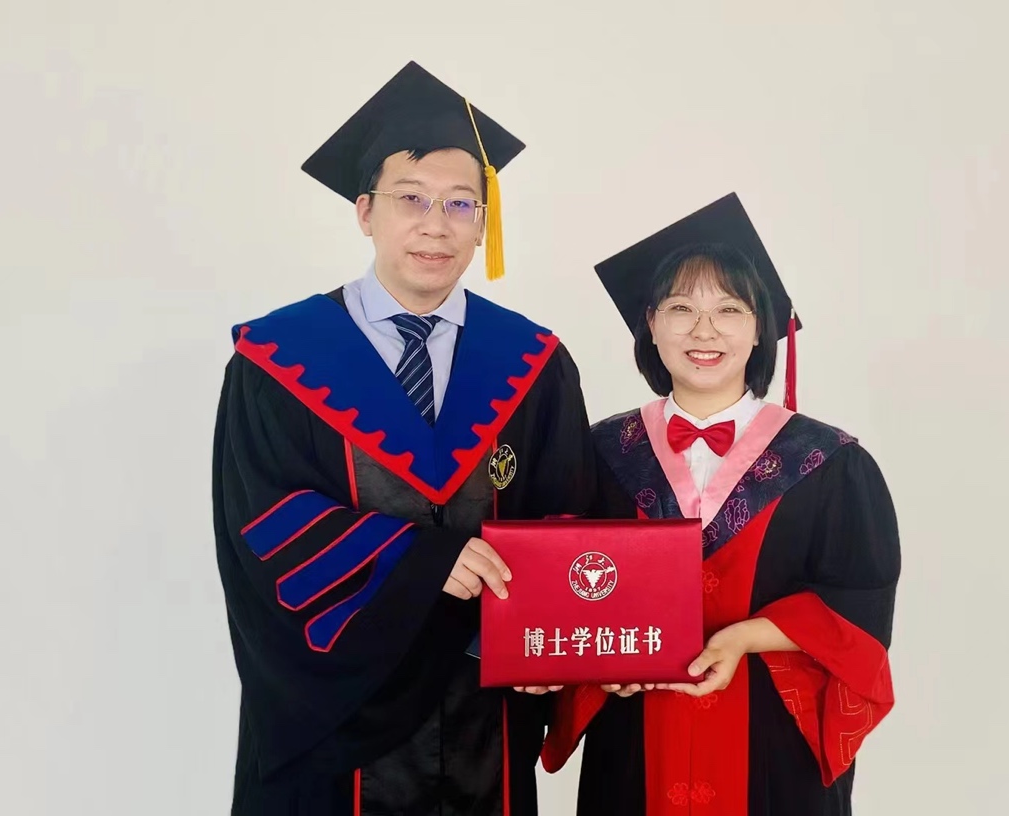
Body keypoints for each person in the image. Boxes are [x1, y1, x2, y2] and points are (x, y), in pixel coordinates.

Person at [211, 61, 595, 816]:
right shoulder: (277, 360)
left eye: (460, 203)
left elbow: (568, 515)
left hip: (485, 717)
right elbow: (262, 527)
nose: (435, 224)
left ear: (483, 222)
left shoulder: (534, 363)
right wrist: (423, 561)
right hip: (336, 727)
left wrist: (549, 635)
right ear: (365, 212)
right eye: (410, 198)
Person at [541, 193, 901, 815]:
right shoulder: (596, 453)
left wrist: (744, 638)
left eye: (729, 309)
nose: (703, 331)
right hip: (634, 732)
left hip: (772, 741)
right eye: (680, 308)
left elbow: (860, 600)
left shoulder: (828, 462)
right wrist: (597, 660)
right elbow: (557, 584)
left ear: (761, 327)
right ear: (650, 325)